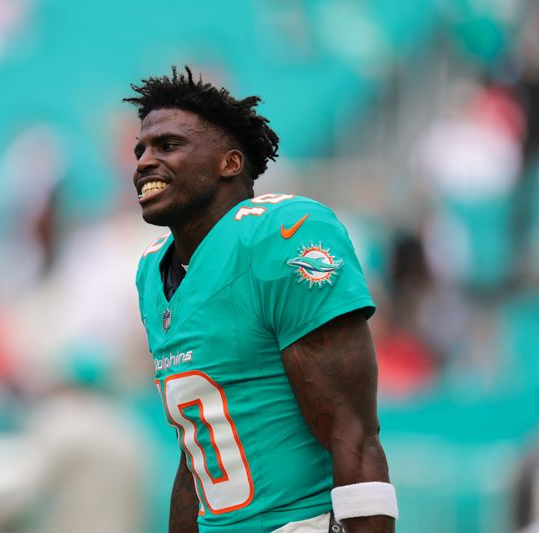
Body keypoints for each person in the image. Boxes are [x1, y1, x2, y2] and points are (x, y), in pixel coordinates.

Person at [126, 67, 397, 533]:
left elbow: (353, 431)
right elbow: (196, 454)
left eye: (168, 146)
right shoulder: (153, 271)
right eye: (141, 150)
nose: (145, 162)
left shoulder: (283, 232)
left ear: (229, 163)